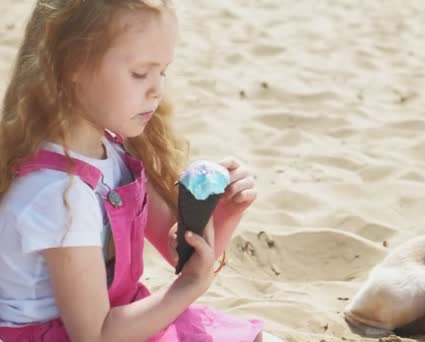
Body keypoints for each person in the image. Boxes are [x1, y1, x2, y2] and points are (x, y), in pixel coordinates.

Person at [0, 1, 281, 341]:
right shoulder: (59, 194)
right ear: (73, 64)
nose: (157, 89)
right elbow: (95, 335)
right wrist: (188, 287)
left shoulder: (112, 151)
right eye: (139, 73)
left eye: (162, 71)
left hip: (121, 321)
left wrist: (223, 213)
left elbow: (182, 255)